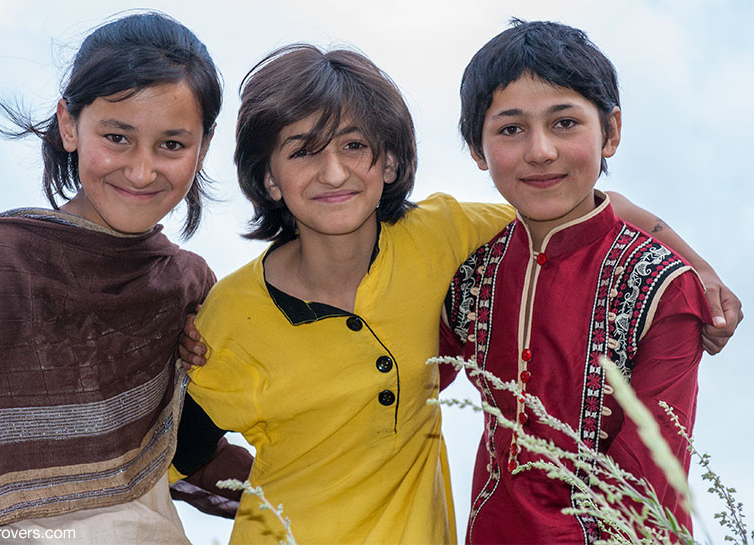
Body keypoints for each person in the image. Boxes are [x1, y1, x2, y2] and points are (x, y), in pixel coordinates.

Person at [174, 43, 740, 545]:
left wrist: (696, 267)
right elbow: (178, 449)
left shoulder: (441, 239)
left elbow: (578, 208)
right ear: (269, 177)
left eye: (353, 145)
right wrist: (272, 496)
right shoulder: (234, 312)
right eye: (301, 151)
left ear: (390, 161)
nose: (332, 172)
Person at [0, 12, 250, 545]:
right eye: (117, 137)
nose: (141, 171)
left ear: (203, 147)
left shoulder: (189, 289)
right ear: (70, 124)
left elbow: (187, 454)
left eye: (172, 145)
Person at [441, 19, 722, 544]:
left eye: (565, 122)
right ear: (476, 150)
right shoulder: (469, 271)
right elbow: (396, 391)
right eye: (510, 129)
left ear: (610, 132)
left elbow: (646, 483)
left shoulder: (664, 287)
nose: (540, 150)